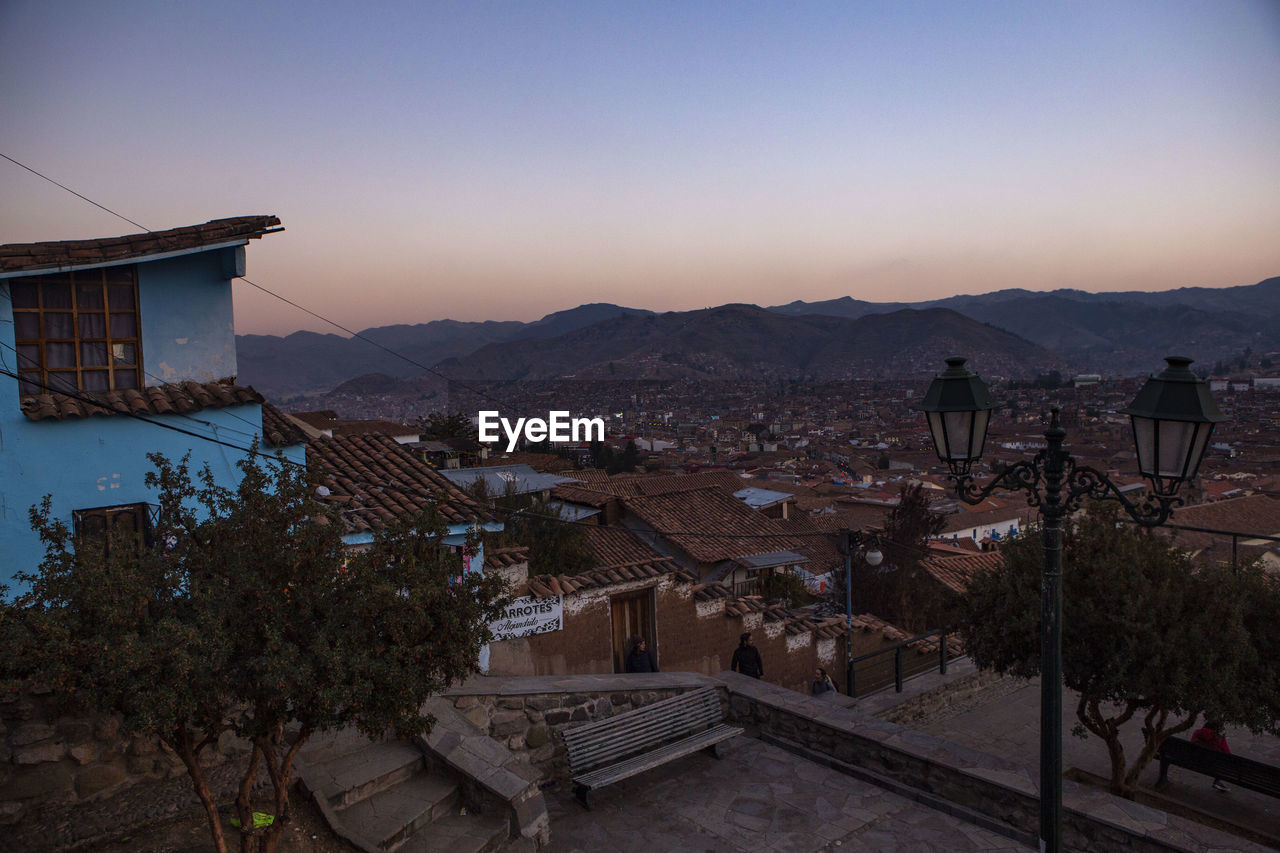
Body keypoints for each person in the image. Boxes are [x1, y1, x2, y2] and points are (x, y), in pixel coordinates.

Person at [1190, 718, 1231, 792]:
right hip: (1212, 766)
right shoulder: (1219, 738)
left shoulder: (1196, 733)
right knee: (1224, 762)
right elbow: (1228, 754)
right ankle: (1217, 781)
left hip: (1192, 761)